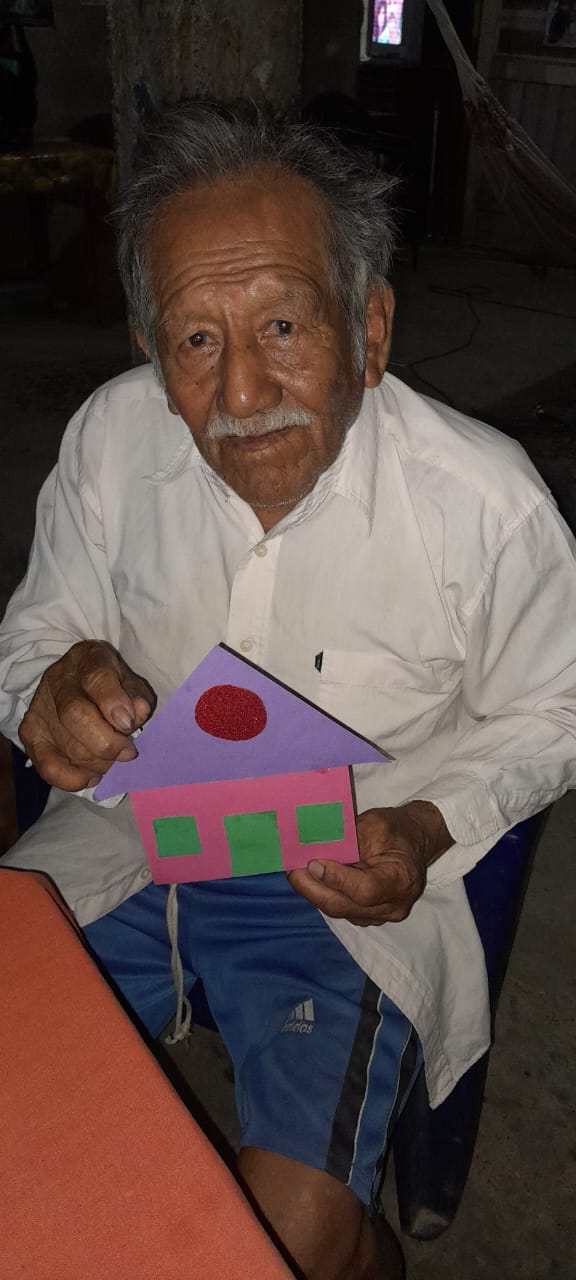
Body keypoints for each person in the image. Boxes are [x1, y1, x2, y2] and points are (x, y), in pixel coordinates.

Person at [1, 102, 576, 1280]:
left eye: (281, 323)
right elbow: (37, 632)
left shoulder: (485, 505)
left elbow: (556, 709)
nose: (242, 388)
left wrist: (427, 825)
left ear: (370, 327)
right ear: (150, 346)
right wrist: (47, 692)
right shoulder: (110, 440)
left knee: (291, 1239)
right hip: (124, 834)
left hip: (339, 887)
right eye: (195, 339)